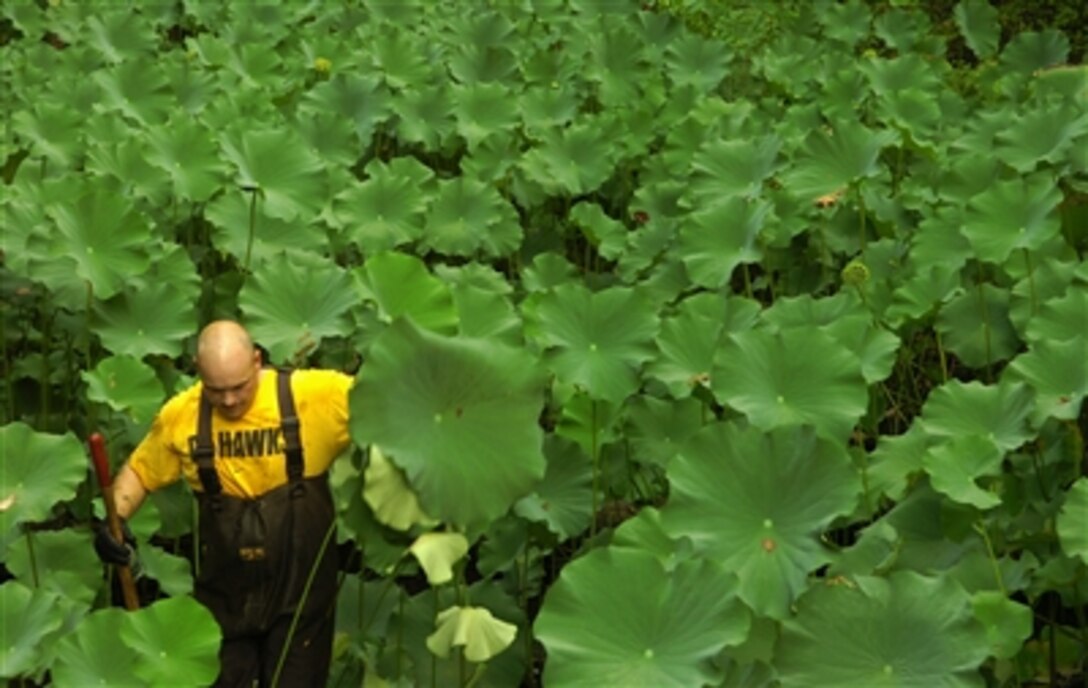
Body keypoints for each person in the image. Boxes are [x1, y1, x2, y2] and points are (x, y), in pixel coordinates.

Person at [93, 320, 354, 687]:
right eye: (216, 391)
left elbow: (384, 402)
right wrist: (114, 522)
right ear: (198, 372)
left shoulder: (315, 396)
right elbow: (141, 471)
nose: (229, 401)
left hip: (301, 598)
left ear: (257, 361)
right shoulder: (181, 416)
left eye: (239, 387)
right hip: (227, 599)